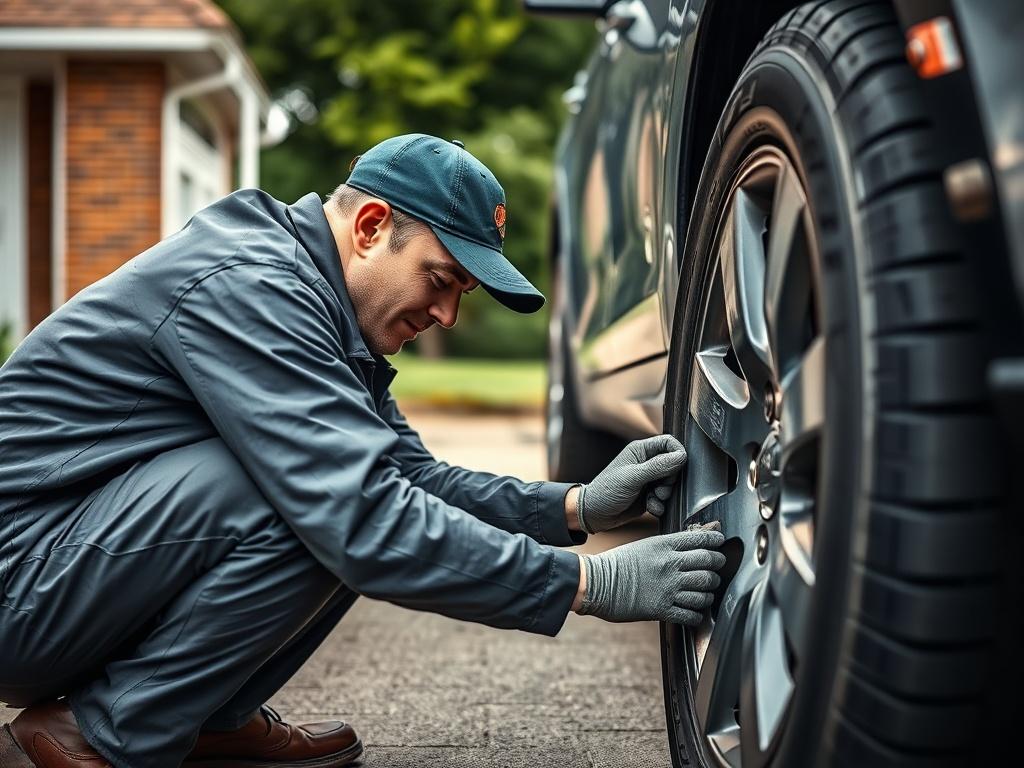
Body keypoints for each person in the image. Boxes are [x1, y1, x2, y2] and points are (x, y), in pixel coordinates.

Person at [0, 134, 726, 768]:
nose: (446, 313)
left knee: (342, 486)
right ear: (372, 226)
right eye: (441, 280)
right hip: (20, 587)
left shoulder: (316, 298)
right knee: (311, 500)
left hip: (59, 577)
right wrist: (588, 584)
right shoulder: (253, 286)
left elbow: (409, 476)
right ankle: (105, 730)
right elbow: (365, 516)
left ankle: (197, 719)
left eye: (462, 293)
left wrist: (572, 507)